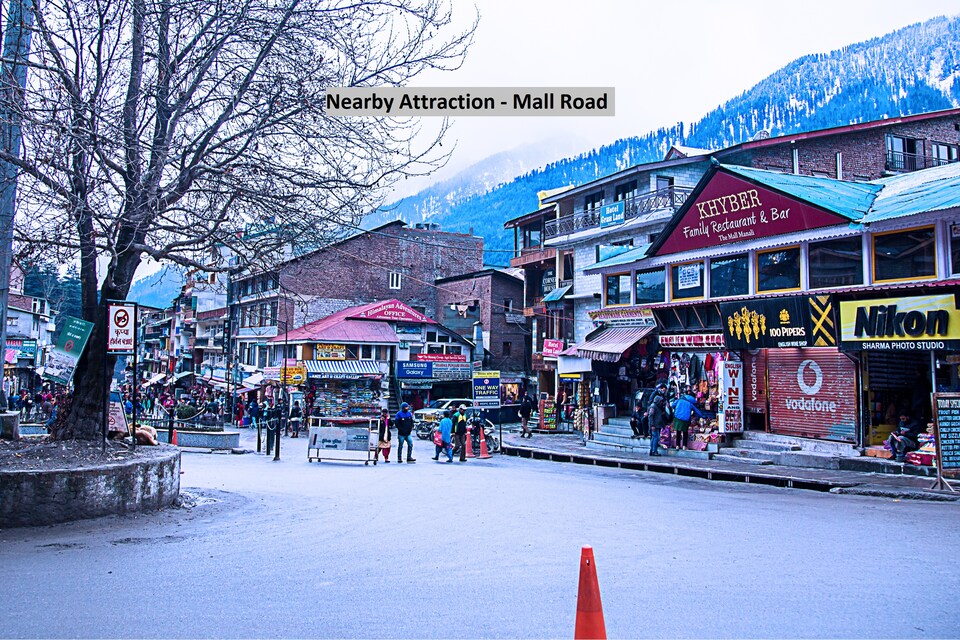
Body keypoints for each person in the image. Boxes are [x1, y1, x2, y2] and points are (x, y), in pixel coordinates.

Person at [670, 386, 705, 450]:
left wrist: (677, 408)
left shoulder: (680, 400)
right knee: (685, 432)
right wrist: (703, 416)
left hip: (677, 418)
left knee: (678, 432)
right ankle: (684, 446)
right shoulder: (690, 404)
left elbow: (672, 405)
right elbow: (697, 411)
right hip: (685, 419)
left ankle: (677, 446)